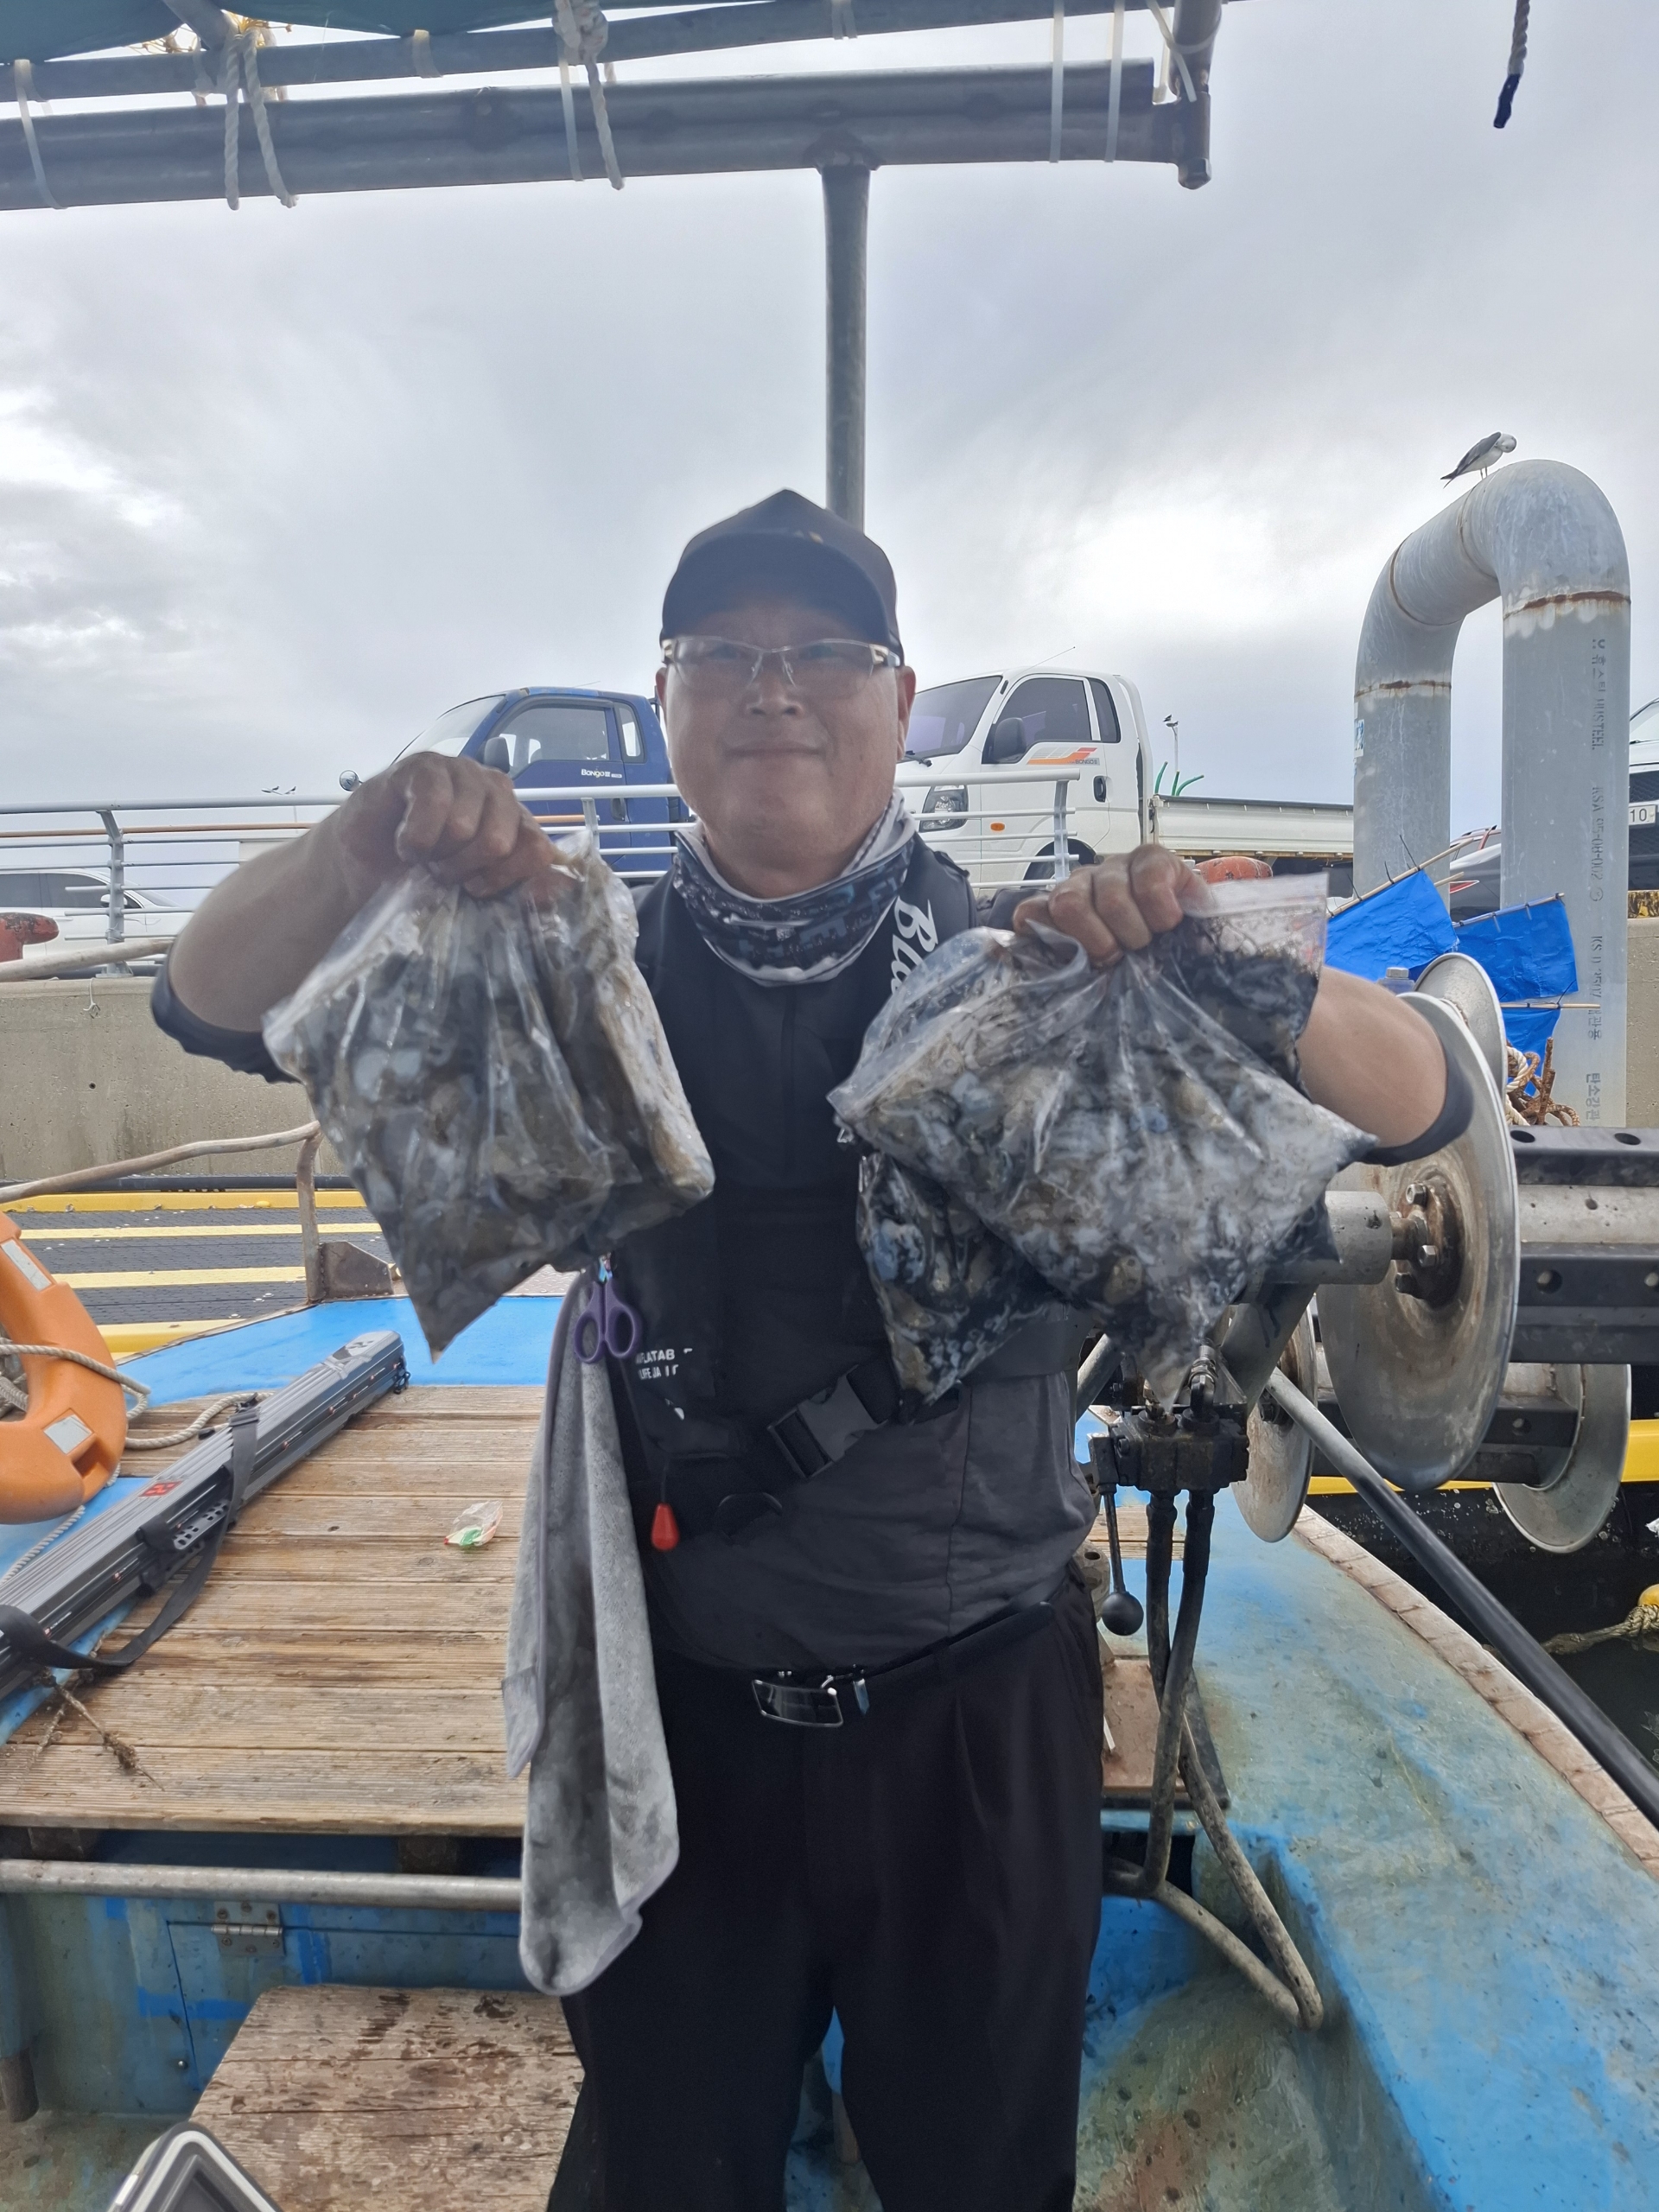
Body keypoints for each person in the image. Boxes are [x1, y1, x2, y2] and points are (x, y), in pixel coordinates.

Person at [154, 490, 1457, 2212]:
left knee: (979, 2179)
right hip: (683, 1732)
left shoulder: (1043, 966)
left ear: (900, 701)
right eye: (723, 656)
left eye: (823, 653)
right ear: (667, 705)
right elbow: (204, 997)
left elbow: (1424, 1097)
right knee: (674, 2174)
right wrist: (362, 844)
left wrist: (1220, 958)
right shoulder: (572, 967)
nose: (774, 687)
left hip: (977, 1729)